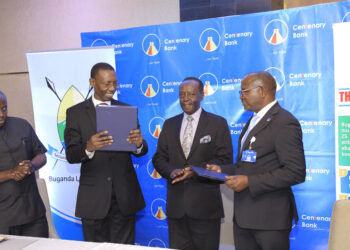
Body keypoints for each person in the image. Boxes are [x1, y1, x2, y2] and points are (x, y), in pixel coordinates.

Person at [208, 71, 306, 250]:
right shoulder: (253, 120)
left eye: (244, 92)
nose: (241, 97)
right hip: (244, 218)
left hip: (269, 221)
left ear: (261, 91)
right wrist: (223, 170)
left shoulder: (284, 122)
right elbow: (250, 164)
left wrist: (249, 182)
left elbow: (296, 171)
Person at [64, 62, 148, 243]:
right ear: (92, 82)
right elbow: (71, 155)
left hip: (124, 197)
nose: (112, 88)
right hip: (94, 200)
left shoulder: (126, 110)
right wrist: (88, 147)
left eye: (115, 83)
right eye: (106, 83)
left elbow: (141, 151)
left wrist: (139, 144)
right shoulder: (75, 113)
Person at [152, 77, 233, 250]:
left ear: (201, 95)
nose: (186, 98)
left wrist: (196, 171)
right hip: (176, 208)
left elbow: (225, 161)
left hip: (206, 208)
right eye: (182, 94)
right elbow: (159, 158)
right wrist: (172, 171)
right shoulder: (169, 124)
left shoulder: (218, 123)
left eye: (191, 94)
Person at [0, 91, 48, 237]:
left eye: (4, 109)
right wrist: (11, 173)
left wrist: (31, 166)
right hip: (4, 218)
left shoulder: (22, 124)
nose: (1, 114)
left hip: (33, 212)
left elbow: (41, 155)